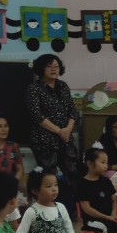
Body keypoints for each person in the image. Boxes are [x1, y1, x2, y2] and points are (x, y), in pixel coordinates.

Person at [24, 53, 80, 186]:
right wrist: (59, 131)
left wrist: (67, 130)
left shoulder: (63, 86)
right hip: (44, 140)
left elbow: (73, 111)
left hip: (65, 138)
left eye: (56, 66)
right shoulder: (34, 88)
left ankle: (72, 199)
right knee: (49, 176)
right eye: (49, 66)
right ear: (41, 68)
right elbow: (37, 115)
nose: (54, 69)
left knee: (73, 173)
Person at [78, 149, 117, 233]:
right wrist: (108, 218)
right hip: (92, 220)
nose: (106, 166)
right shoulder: (82, 184)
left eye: (106, 162)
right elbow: (87, 209)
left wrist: (113, 213)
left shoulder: (106, 181)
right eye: (102, 162)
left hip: (110, 216)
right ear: (90, 164)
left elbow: (114, 200)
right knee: (109, 226)